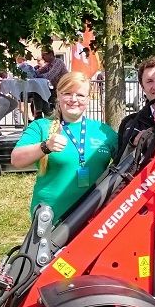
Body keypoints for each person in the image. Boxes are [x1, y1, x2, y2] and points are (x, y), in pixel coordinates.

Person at [10, 72, 117, 222]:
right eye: (67, 93)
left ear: (88, 99)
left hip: (95, 217)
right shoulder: (41, 126)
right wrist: (45, 146)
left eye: (80, 95)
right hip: (52, 216)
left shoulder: (103, 131)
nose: (74, 99)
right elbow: (16, 160)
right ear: (58, 96)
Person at [116, 55, 155, 160]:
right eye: (149, 81)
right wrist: (134, 144)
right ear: (142, 87)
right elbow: (120, 162)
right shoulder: (131, 123)